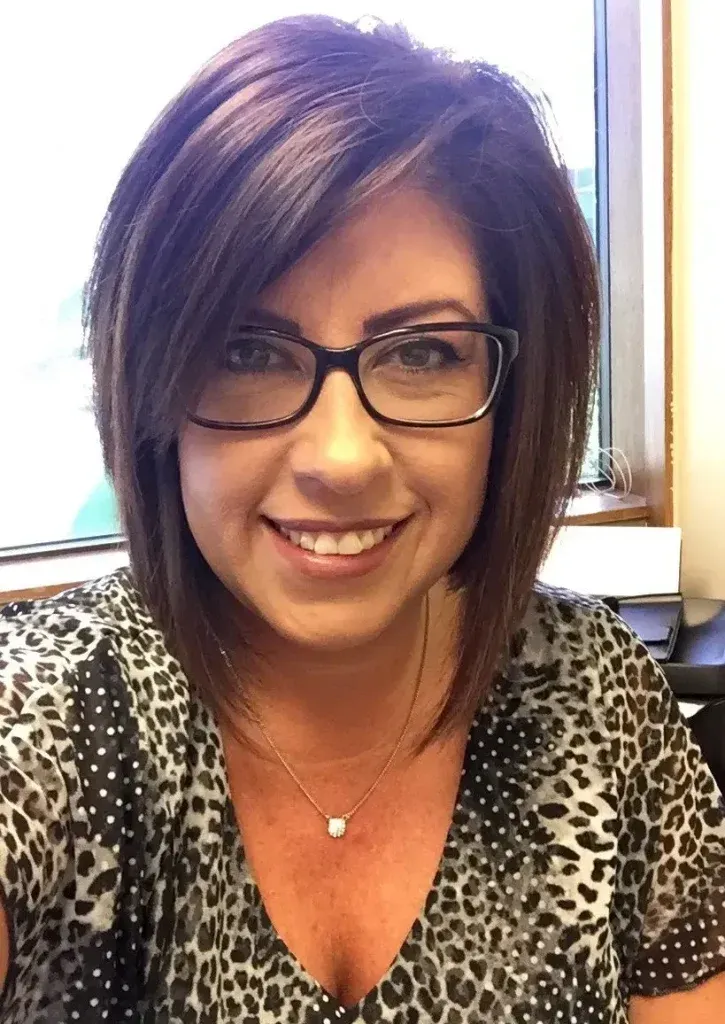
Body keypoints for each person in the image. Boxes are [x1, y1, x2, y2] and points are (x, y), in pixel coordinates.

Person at [0, 14, 723, 1024]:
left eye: (422, 353)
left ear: (510, 395)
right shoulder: (45, 723)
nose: (340, 457)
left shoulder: (594, 694)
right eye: (249, 352)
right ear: (154, 391)